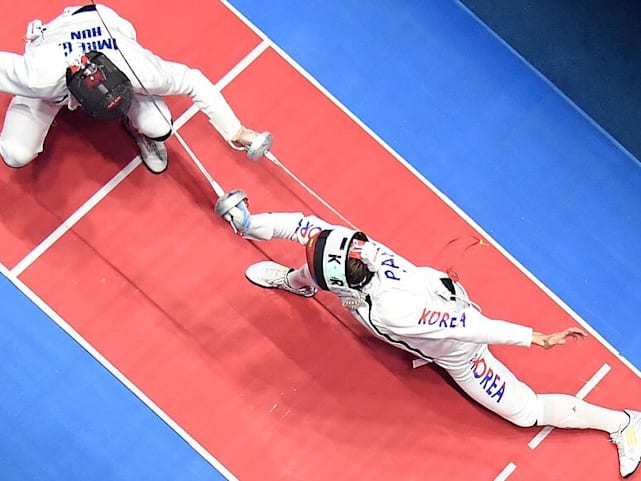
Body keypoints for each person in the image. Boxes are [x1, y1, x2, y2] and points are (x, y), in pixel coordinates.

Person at [215, 189, 641, 479]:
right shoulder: (348, 246)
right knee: (312, 273)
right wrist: (251, 223)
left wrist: (536, 338)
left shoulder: (393, 309)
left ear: (344, 282)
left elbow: (470, 328)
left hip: (460, 348)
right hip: (431, 298)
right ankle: (296, 282)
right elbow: (302, 226)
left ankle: (624, 423)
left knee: (525, 412)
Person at [0, 4, 272, 174]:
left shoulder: (141, 70)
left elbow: (194, 81)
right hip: (57, 40)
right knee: (15, 153)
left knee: (159, 125)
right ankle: (40, 108)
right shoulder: (37, 76)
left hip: (104, 21)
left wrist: (236, 131)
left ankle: (138, 129)